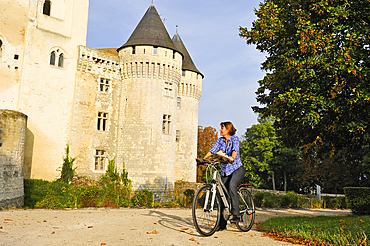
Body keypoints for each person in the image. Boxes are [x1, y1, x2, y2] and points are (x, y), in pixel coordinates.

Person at [204, 121, 246, 230]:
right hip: (225, 171)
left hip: (236, 168)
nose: (220, 130)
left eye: (222, 128)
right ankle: (222, 224)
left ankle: (236, 215)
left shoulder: (234, 139)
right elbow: (213, 150)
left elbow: (235, 150)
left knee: (232, 185)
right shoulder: (220, 140)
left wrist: (231, 157)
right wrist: (203, 159)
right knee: (222, 194)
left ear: (228, 129)